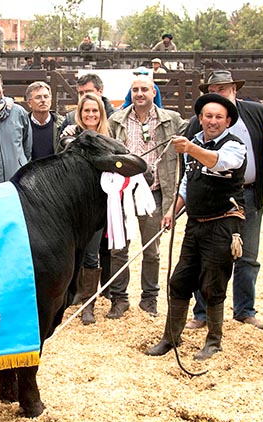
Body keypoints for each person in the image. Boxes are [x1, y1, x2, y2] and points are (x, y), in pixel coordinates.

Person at [146, 93, 246, 361]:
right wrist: (171, 210)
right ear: (200, 119)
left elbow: (219, 162)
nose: (212, 121)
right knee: (179, 281)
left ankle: (214, 341)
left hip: (222, 224)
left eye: (218, 117)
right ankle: (171, 337)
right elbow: (187, 184)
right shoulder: (195, 144)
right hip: (195, 224)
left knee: (213, 285)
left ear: (227, 122)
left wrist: (190, 148)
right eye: (208, 116)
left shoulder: (234, 146)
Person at [185, 70, 263, 331]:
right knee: (207, 254)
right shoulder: (198, 121)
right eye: (213, 89)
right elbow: (189, 160)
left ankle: (245, 310)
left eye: (224, 88)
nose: (219, 93)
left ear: (235, 90)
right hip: (212, 196)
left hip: (248, 192)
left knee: (247, 255)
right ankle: (202, 313)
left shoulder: (256, 112)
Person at [109, 74, 187, 317]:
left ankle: (149, 298)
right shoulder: (117, 120)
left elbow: (193, 135)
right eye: (135, 90)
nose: (140, 93)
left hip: (154, 194)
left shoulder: (171, 120)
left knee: (151, 250)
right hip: (122, 194)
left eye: (145, 89)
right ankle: (119, 298)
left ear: (154, 93)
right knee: (118, 248)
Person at [60, 93, 112, 324]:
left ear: (101, 114)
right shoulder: (71, 137)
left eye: (95, 111)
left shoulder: (109, 139)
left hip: (100, 205)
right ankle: (74, 295)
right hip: (74, 205)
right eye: (86, 111)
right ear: (79, 114)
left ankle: (89, 306)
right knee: (74, 253)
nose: (90, 115)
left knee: (93, 254)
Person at [25, 81, 64, 160]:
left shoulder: (61, 125)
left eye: (46, 97)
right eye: (38, 97)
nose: (43, 100)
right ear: (29, 103)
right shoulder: (23, 126)